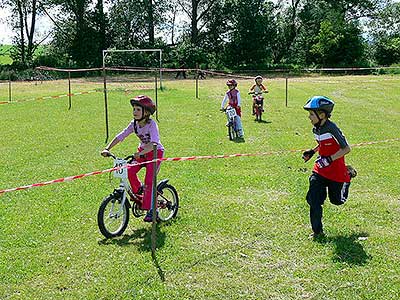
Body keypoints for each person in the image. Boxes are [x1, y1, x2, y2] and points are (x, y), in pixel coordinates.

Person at [101, 95, 164, 222]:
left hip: (155, 153)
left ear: (146, 112)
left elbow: (154, 143)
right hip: (142, 152)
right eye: (134, 109)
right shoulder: (134, 124)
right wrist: (108, 148)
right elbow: (121, 136)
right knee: (128, 170)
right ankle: (140, 193)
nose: (135, 112)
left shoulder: (152, 125)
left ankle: (152, 210)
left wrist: (142, 153)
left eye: (138, 110)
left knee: (149, 181)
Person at [302, 96, 357, 239]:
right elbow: (322, 144)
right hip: (320, 169)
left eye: (311, 114)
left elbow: (346, 149)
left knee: (337, 201)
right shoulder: (316, 129)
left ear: (322, 115)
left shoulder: (332, 128)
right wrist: (312, 152)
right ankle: (317, 232)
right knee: (313, 199)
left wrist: (330, 159)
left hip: (336, 172)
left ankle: (348, 174)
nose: (309, 117)